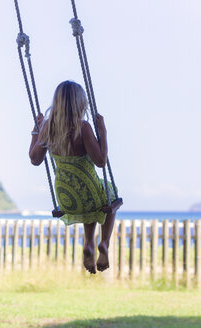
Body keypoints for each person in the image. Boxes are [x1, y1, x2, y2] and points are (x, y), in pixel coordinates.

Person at [29, 80, 118, 274]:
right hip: (90, 192)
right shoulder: (83, 127)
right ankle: (103, 243)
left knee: (88, 202)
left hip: (67, 197)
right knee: (109, 193)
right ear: (81, 104)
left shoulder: (48, 128)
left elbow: (35, 159)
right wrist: (102, 131)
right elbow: (101, 161)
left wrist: (35, 132)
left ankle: (88, 244)